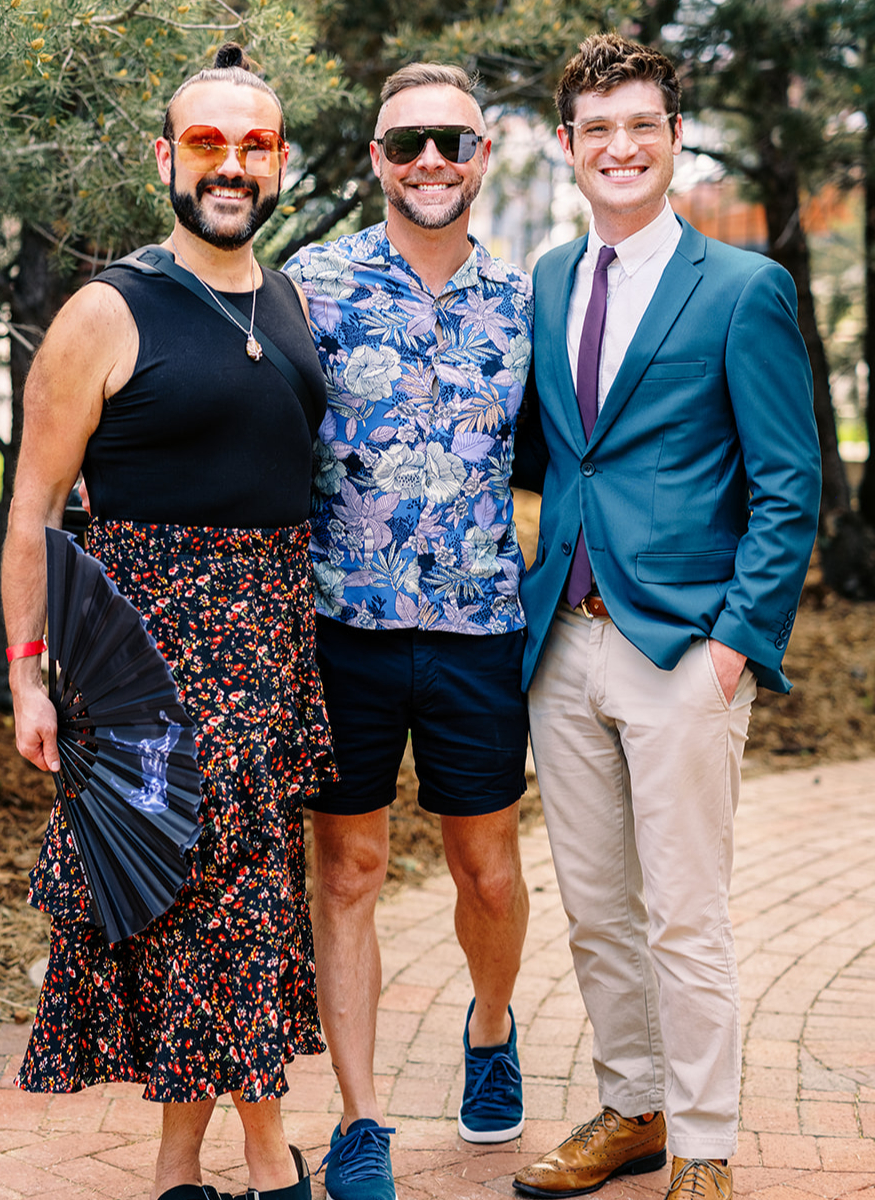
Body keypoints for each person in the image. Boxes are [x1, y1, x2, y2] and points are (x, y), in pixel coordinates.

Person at [2, 44, 333, 1200]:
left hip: (272, 648)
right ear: (165, 159)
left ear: (278, 161)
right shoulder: (106, 310)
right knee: (211, 901)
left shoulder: (290, 300)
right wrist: (27, 675)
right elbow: (35, 505)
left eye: (254, 145)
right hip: (151, 657)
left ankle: (177, 1168)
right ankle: (269, 1159)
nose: (230, 165)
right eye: (206, 143)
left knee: (233, 899)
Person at [511, 33, 821, 1200]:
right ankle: (633, 1109)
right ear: (569, 145)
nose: (622, 147)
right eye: (598, 129)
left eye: (642, 124)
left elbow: (789, 484)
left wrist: (736, 644)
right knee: (597, 911)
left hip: (685, 648)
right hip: (564, 643)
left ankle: (703, 1144)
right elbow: (562, 455)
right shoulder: (549, 280)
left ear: (676, 136)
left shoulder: (742, 288)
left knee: (685, 916)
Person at [285, 63, 533, 1200]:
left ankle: (492, 1026)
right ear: (376, 160)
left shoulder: (524, 301)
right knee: (349, 872)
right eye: (406, 143)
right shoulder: (311, 285)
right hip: (343, 628)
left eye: (452, 140)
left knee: (488, 871)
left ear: (482, 156)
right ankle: (361, 1118)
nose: (430, 160)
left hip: (480, 626)